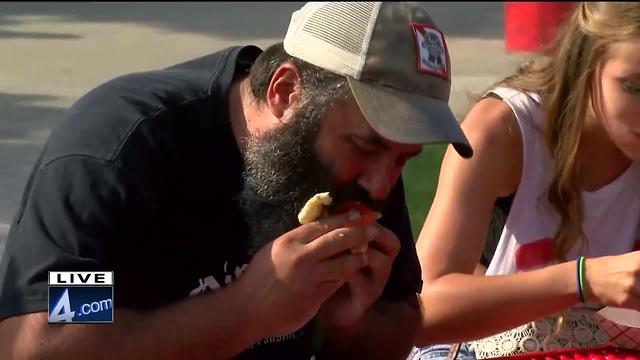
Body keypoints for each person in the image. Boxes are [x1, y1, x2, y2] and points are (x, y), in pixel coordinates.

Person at [0, 2, 472, 359]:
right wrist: (247, 310)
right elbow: (46, 339)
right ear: (286, 92)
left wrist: (346, 322)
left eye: (404, 158)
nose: (382, 183)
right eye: (368, 147)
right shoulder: (122, 153)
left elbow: (400, 317)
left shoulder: (360, 165)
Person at [409, 2, 640, 360]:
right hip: (477, 345)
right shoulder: (503, 130)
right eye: (633, 86)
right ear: (586, 62)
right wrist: (584, 280)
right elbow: (422, 307)